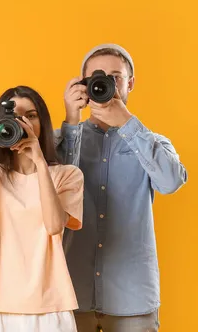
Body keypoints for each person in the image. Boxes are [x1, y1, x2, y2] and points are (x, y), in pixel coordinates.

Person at [56, 43, 188, 331]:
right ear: (83, 84)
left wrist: (127, 123)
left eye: (116, 77)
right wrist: (71, 120)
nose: (108, 84)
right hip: (72, 294)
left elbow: (170, 182)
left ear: (130, 83)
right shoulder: (63, 137)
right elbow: (57, 189)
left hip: (133, 298)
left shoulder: (154, 142)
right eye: (98, 76)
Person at [0, 86, 83, 332]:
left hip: (50, 304)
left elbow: (53, 225)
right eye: (15, 116)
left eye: (31, 115)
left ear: (42, 122)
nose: (23, 122)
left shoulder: (68, 175)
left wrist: (38, 160)